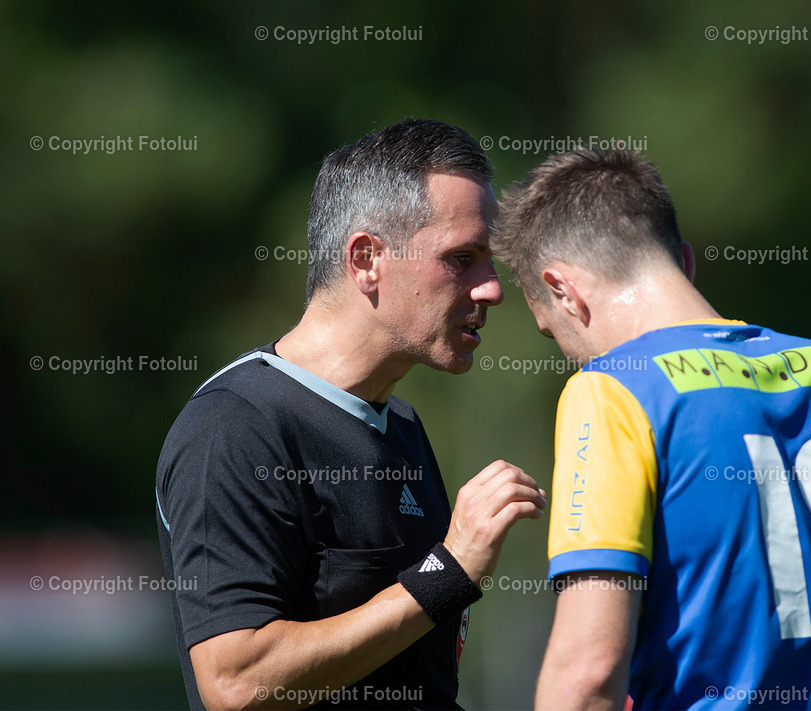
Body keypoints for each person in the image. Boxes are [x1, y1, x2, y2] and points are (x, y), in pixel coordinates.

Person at [490, 148, 811, 710]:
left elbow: (588, 674)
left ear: (563, 292)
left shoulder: (614, 391)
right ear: (685, 261)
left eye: (551, 335)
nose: (572, 358)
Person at [155, 118, 546, 711]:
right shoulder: (236, 427)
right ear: (366, 260)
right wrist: (450, 571)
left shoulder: (402, 426)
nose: (491, 288)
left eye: (488, 261)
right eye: (461, 258)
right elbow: (236, 682)